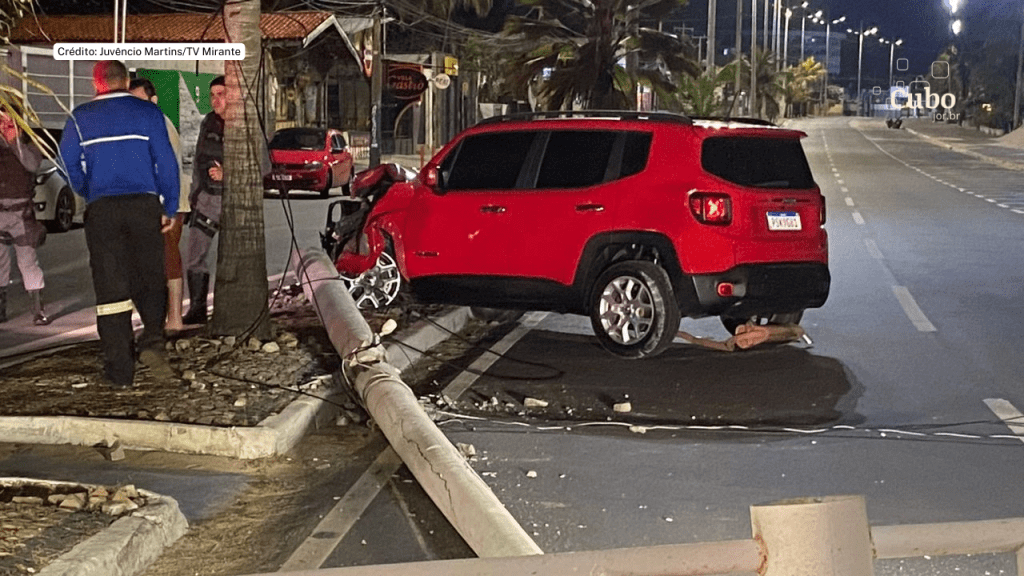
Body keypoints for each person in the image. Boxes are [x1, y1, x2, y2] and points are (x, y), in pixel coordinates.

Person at [59, 61, 180, 388]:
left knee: (110, 287)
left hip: (103, 210)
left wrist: (87, 190)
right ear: (126, 81)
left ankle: (119, 369)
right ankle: (153, 341)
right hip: (143, 204)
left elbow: (68, 164)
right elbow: (166, 162)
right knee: (150, 275)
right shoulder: (148, 113)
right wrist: (169, 205)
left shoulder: (79, 117)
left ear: (95, 83)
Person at [129, 77, 191, 335]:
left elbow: (164, 167)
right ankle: (157, 318)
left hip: (168, 201)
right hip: (149, 202)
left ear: (153, 100)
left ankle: (174, 317)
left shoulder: (159, 125)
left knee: (168, 257)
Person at [0, 106, 51, 325]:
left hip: (22, 214)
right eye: (1, 123)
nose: (4, 127)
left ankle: (38, 310)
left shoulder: (30, 146)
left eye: (9, 123)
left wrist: (15, 142)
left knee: (27, 262)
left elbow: (31, 164)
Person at [181, 75, 226, 325]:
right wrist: (194, 195)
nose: (216, 100)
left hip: (233, 201)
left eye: (221, 94)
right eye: (212, 95)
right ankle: (198, 308)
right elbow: (199, 159)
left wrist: (227, 173)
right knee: (195, 254)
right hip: (207, 198)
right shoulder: (208, 122)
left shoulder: (244, 122)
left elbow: (262, 166)